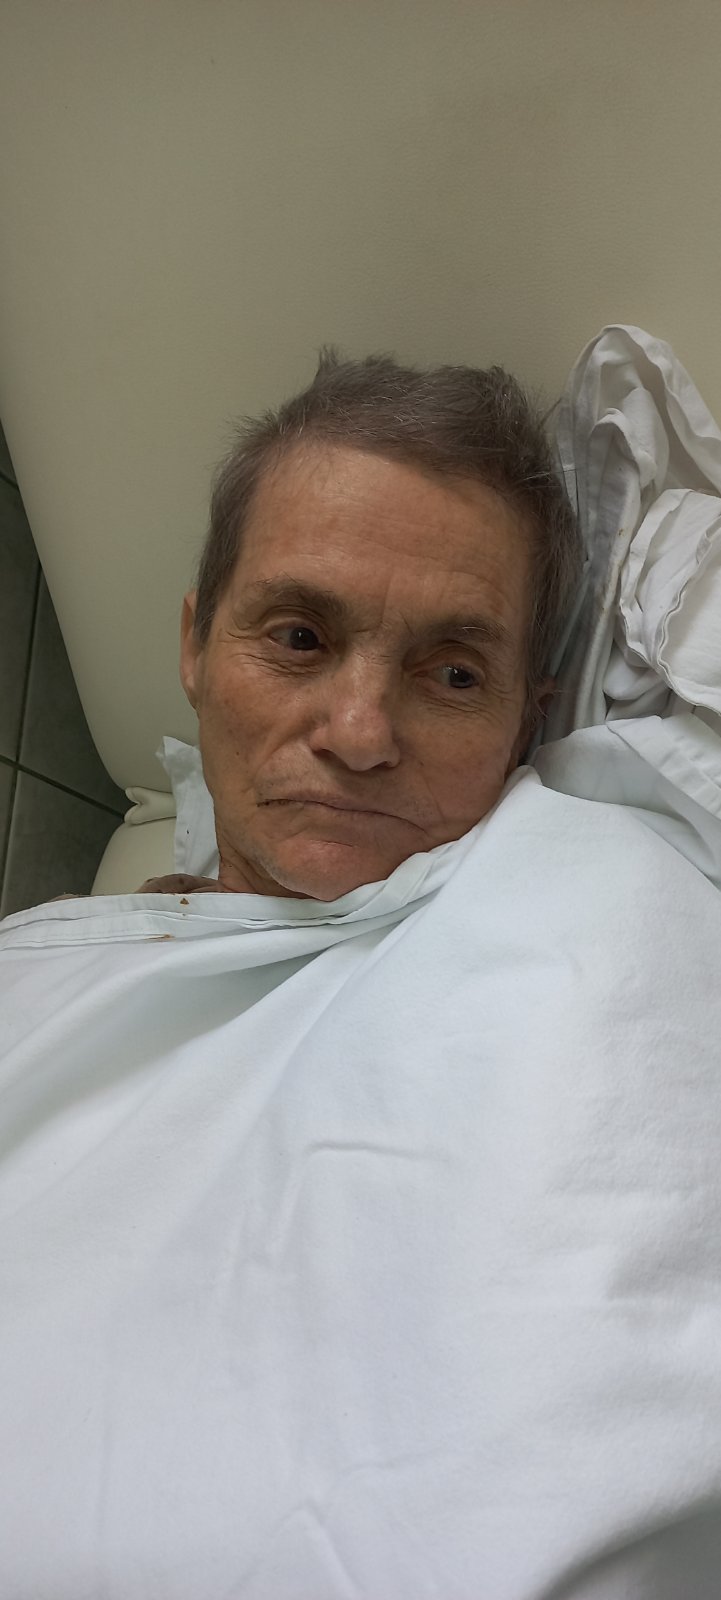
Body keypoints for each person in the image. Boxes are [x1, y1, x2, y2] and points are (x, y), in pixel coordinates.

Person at [5, 352, 721, 1599]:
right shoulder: (36, 989)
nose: (360, 733)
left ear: (528, 714)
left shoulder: (614, 858)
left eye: (452, 674)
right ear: (193, 643)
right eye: (298, 637)